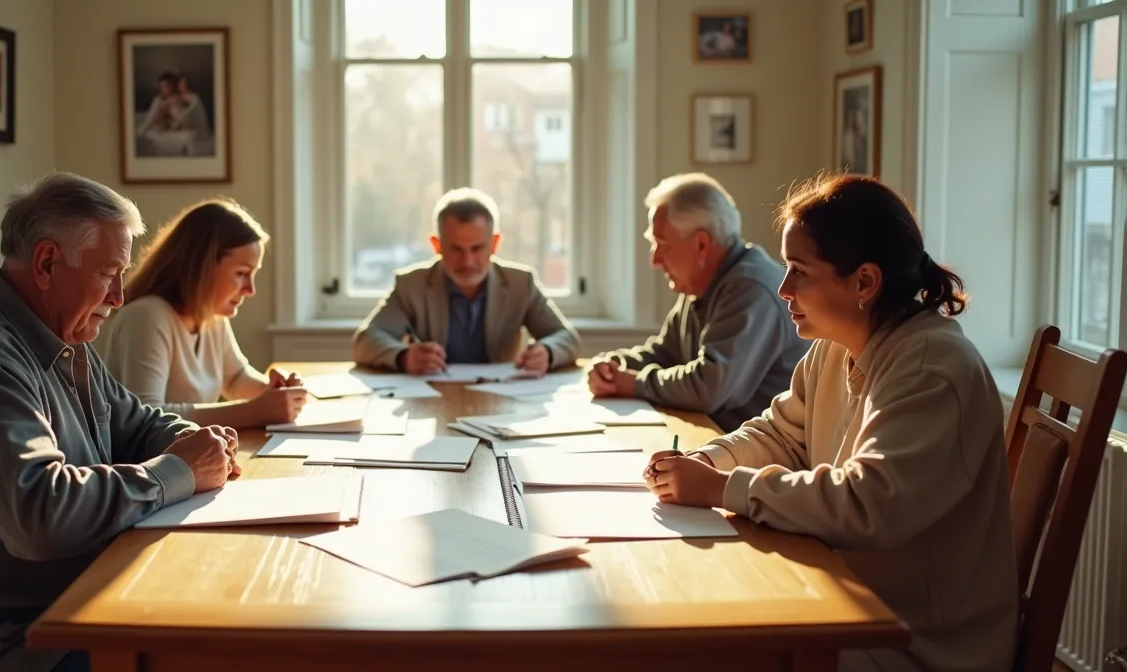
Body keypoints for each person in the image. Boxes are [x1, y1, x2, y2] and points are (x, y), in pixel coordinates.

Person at [644, 174, 1019, 671]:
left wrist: (721, 488)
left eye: (799, 270)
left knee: (686, 645)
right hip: (855, 599)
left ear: (864, 281)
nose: (782, 289)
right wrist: (702, 462)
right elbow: (780, 433)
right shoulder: (835, 346)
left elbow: (868, 503)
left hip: (918, 644)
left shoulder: (931, 366)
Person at [0, 173, 243, 672]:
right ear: (47, 263)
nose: (120, 295)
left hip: (90, 592)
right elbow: (42, 515)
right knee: (246, 647)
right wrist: (180, 471)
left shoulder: (65, 339)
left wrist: (193, 442)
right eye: (109, 272)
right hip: (31, 637)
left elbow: (136, 423)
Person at [588, 173, 809, 432]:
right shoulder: (702, 283)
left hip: (759, 461)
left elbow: (710, 388)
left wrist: (631, 383)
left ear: (701, 244)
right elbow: (666, 354)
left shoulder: (750, 288)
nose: (655, 260)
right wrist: (615, 365)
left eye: (662, 244)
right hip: (717, 441)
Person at [97, 197, 307, 428]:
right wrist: (255, 412)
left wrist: (271, 392)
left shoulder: (212, 316)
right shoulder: (146, 316)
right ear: (202, 267)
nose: (250, 289)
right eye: (241, 273)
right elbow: (147, 416)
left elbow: (235, 379)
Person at [352, 187, 581, 375]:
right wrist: (403, 357)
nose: (467, 261)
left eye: (477, 248)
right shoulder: (411, 285)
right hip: (431, 400)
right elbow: (365, 341)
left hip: (503, 403)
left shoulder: (521, 283)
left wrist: (548, 353)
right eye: (455, 249)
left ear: (494, 243)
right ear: (436, 245)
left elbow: (568, 338)